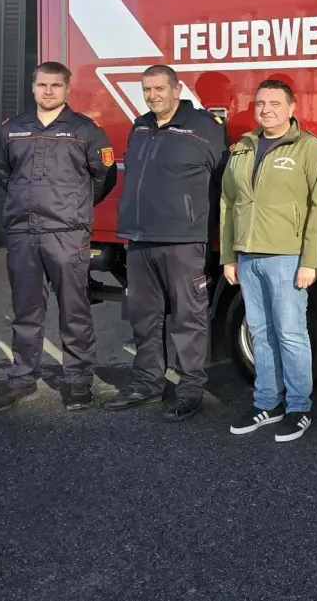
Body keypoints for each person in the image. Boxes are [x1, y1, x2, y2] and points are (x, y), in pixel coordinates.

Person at [0, 61, 116, 412]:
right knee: (26, 310)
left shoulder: (85, 130)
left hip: (67, 234)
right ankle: (21, 379)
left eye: (55, 86)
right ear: (33, 87)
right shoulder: (13, 129)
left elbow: (104, 176)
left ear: (67, 88)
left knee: (74, 311)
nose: (48, 91)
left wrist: (74, 207)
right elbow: (4, 172)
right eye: (42, 85)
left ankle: (78, 382)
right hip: (23, 233)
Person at [105, 65, 228, 421]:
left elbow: (223, 181)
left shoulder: (204, 128)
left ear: (177, 89)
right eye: (147, 89)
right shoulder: (140, 126)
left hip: (183, 241)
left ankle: (190, 388)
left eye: (160, 88)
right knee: (145, 317)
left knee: (188, 319)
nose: (153, 95)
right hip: (140, 239)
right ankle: (147, 383)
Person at [220, 80, 317, 442]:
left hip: (287, 257)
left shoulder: (309, 148)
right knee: (260, 333)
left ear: (292, 107)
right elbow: (228, 204)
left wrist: (310, 261)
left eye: (275, 103)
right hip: (247, 256)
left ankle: (299, 407)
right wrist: (229, 255)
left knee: (291, 334)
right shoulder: (243, 149)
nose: (267, 109)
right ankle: (267, 401)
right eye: (261, 103)